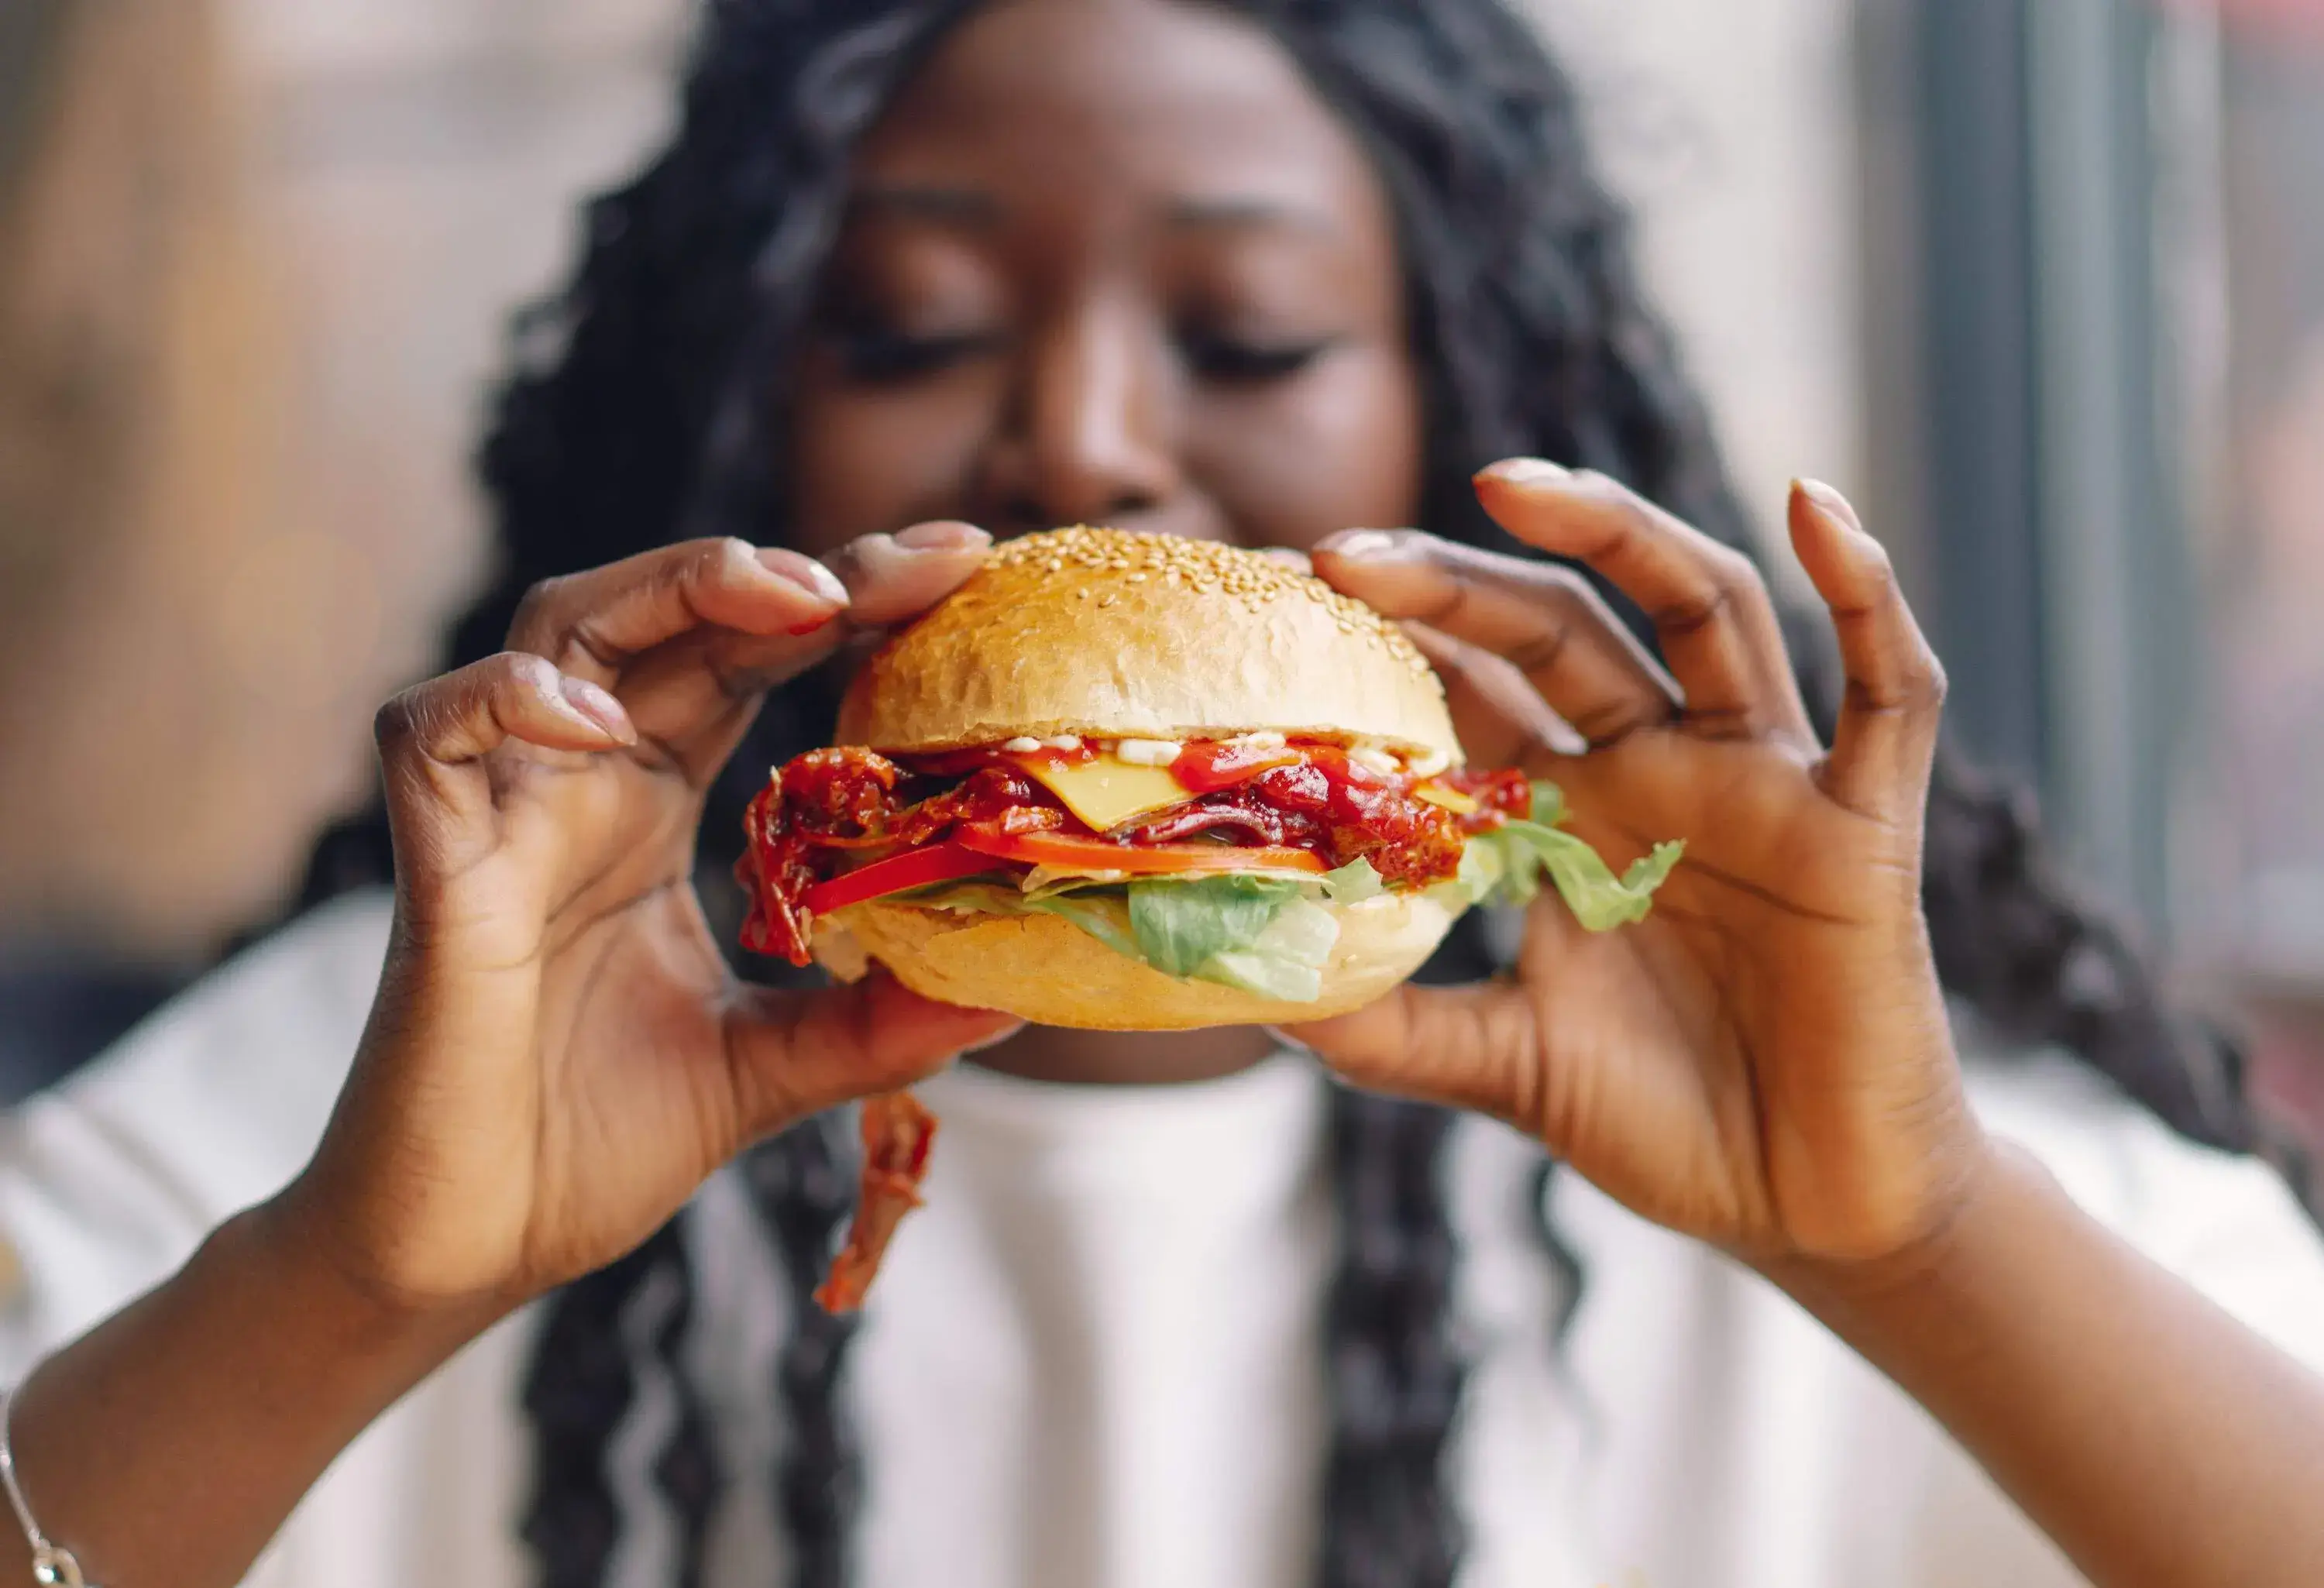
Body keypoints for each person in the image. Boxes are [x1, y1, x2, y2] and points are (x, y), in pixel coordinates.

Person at [4, 2, 2322, 1586]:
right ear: (741, 433)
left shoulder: (1857, 1100)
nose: (1087, 439)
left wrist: (1914, 1248)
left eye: (1249, 338)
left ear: (1454, 424)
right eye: (906, 327)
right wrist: (345, 1289)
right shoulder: (397, 1080)